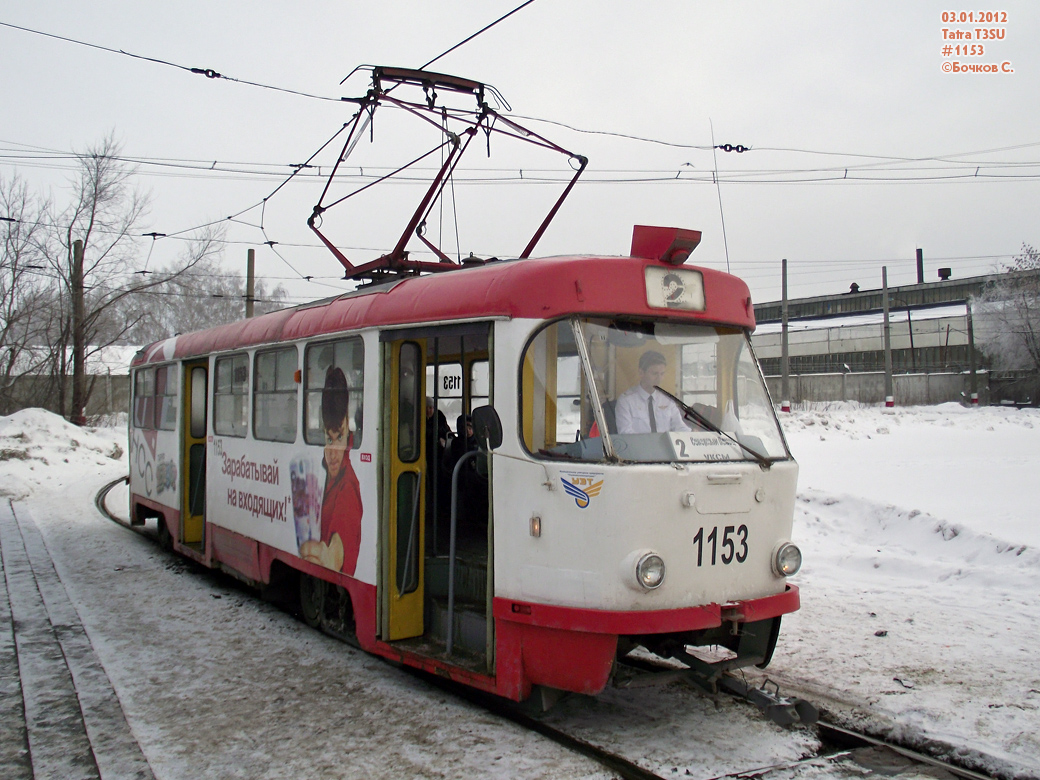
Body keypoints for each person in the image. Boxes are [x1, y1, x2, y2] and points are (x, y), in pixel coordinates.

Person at [300, 366, 363, 574]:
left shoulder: (347, 488)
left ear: (348, 430)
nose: (333, 453)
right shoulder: (325, 475)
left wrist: (331, 557)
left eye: (339, 437)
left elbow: (341, 537)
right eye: (329, 439)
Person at [614, 350, 691, 434]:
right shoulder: (626, 401)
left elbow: (679, 426)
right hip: (639, 446)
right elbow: (625, 434)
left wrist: (693, 434)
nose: (659, 379)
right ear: (641, 373)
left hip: (665, 446)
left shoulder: (667, 400)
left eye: (662, 374)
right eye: (654, 374)